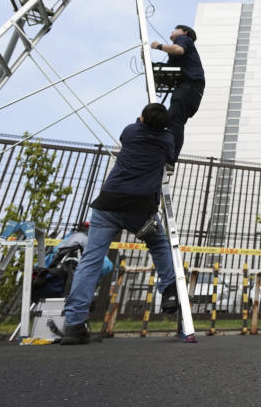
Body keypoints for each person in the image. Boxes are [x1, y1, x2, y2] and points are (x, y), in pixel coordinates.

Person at [60, 103, 178, 345]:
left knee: (91, 260)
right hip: (141, 209)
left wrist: (142, 120)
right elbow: (170, 157)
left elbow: (136, 128)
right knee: (158, 243)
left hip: (108, 204)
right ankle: (169, 291)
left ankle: (73, 324)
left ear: (142, 119)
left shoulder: (130, 132)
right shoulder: (166, 140)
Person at [151, 25, 205, 162]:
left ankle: (170, 159)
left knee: (175, 120)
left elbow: (178, 50)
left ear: (184, 32)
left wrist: (159, 46)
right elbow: (170, 70)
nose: (172, 30)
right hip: (189, 88)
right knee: (172, 120)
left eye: (176, 28)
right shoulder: (177, 54)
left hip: (190, 85)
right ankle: (167, 156)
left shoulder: (184, 39)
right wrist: (151, 65)